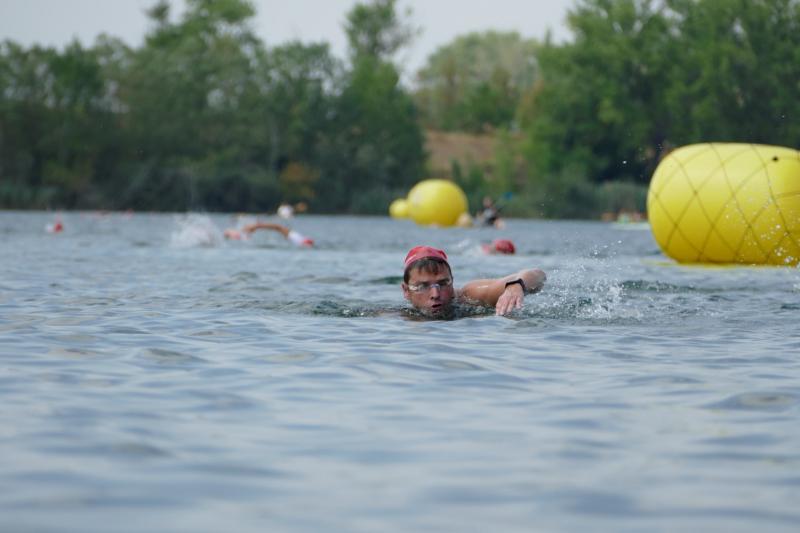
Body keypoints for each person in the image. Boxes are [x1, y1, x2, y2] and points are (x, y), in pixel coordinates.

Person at [401, 245, 545, 318]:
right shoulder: (401, 316)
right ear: (406, 291)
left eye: (443, 283)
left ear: (452, 281)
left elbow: (538, 274)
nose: (435, 294)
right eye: (423, 286)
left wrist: (516, 285)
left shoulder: (470, 296)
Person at [237, 221, 314, 247]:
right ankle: (254, 227)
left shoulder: (298, 240)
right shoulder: (298, 239)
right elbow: (278, 227)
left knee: (278, 227)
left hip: (299, 239)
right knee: (278, 227)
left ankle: (254, 227)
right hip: (299, 239)